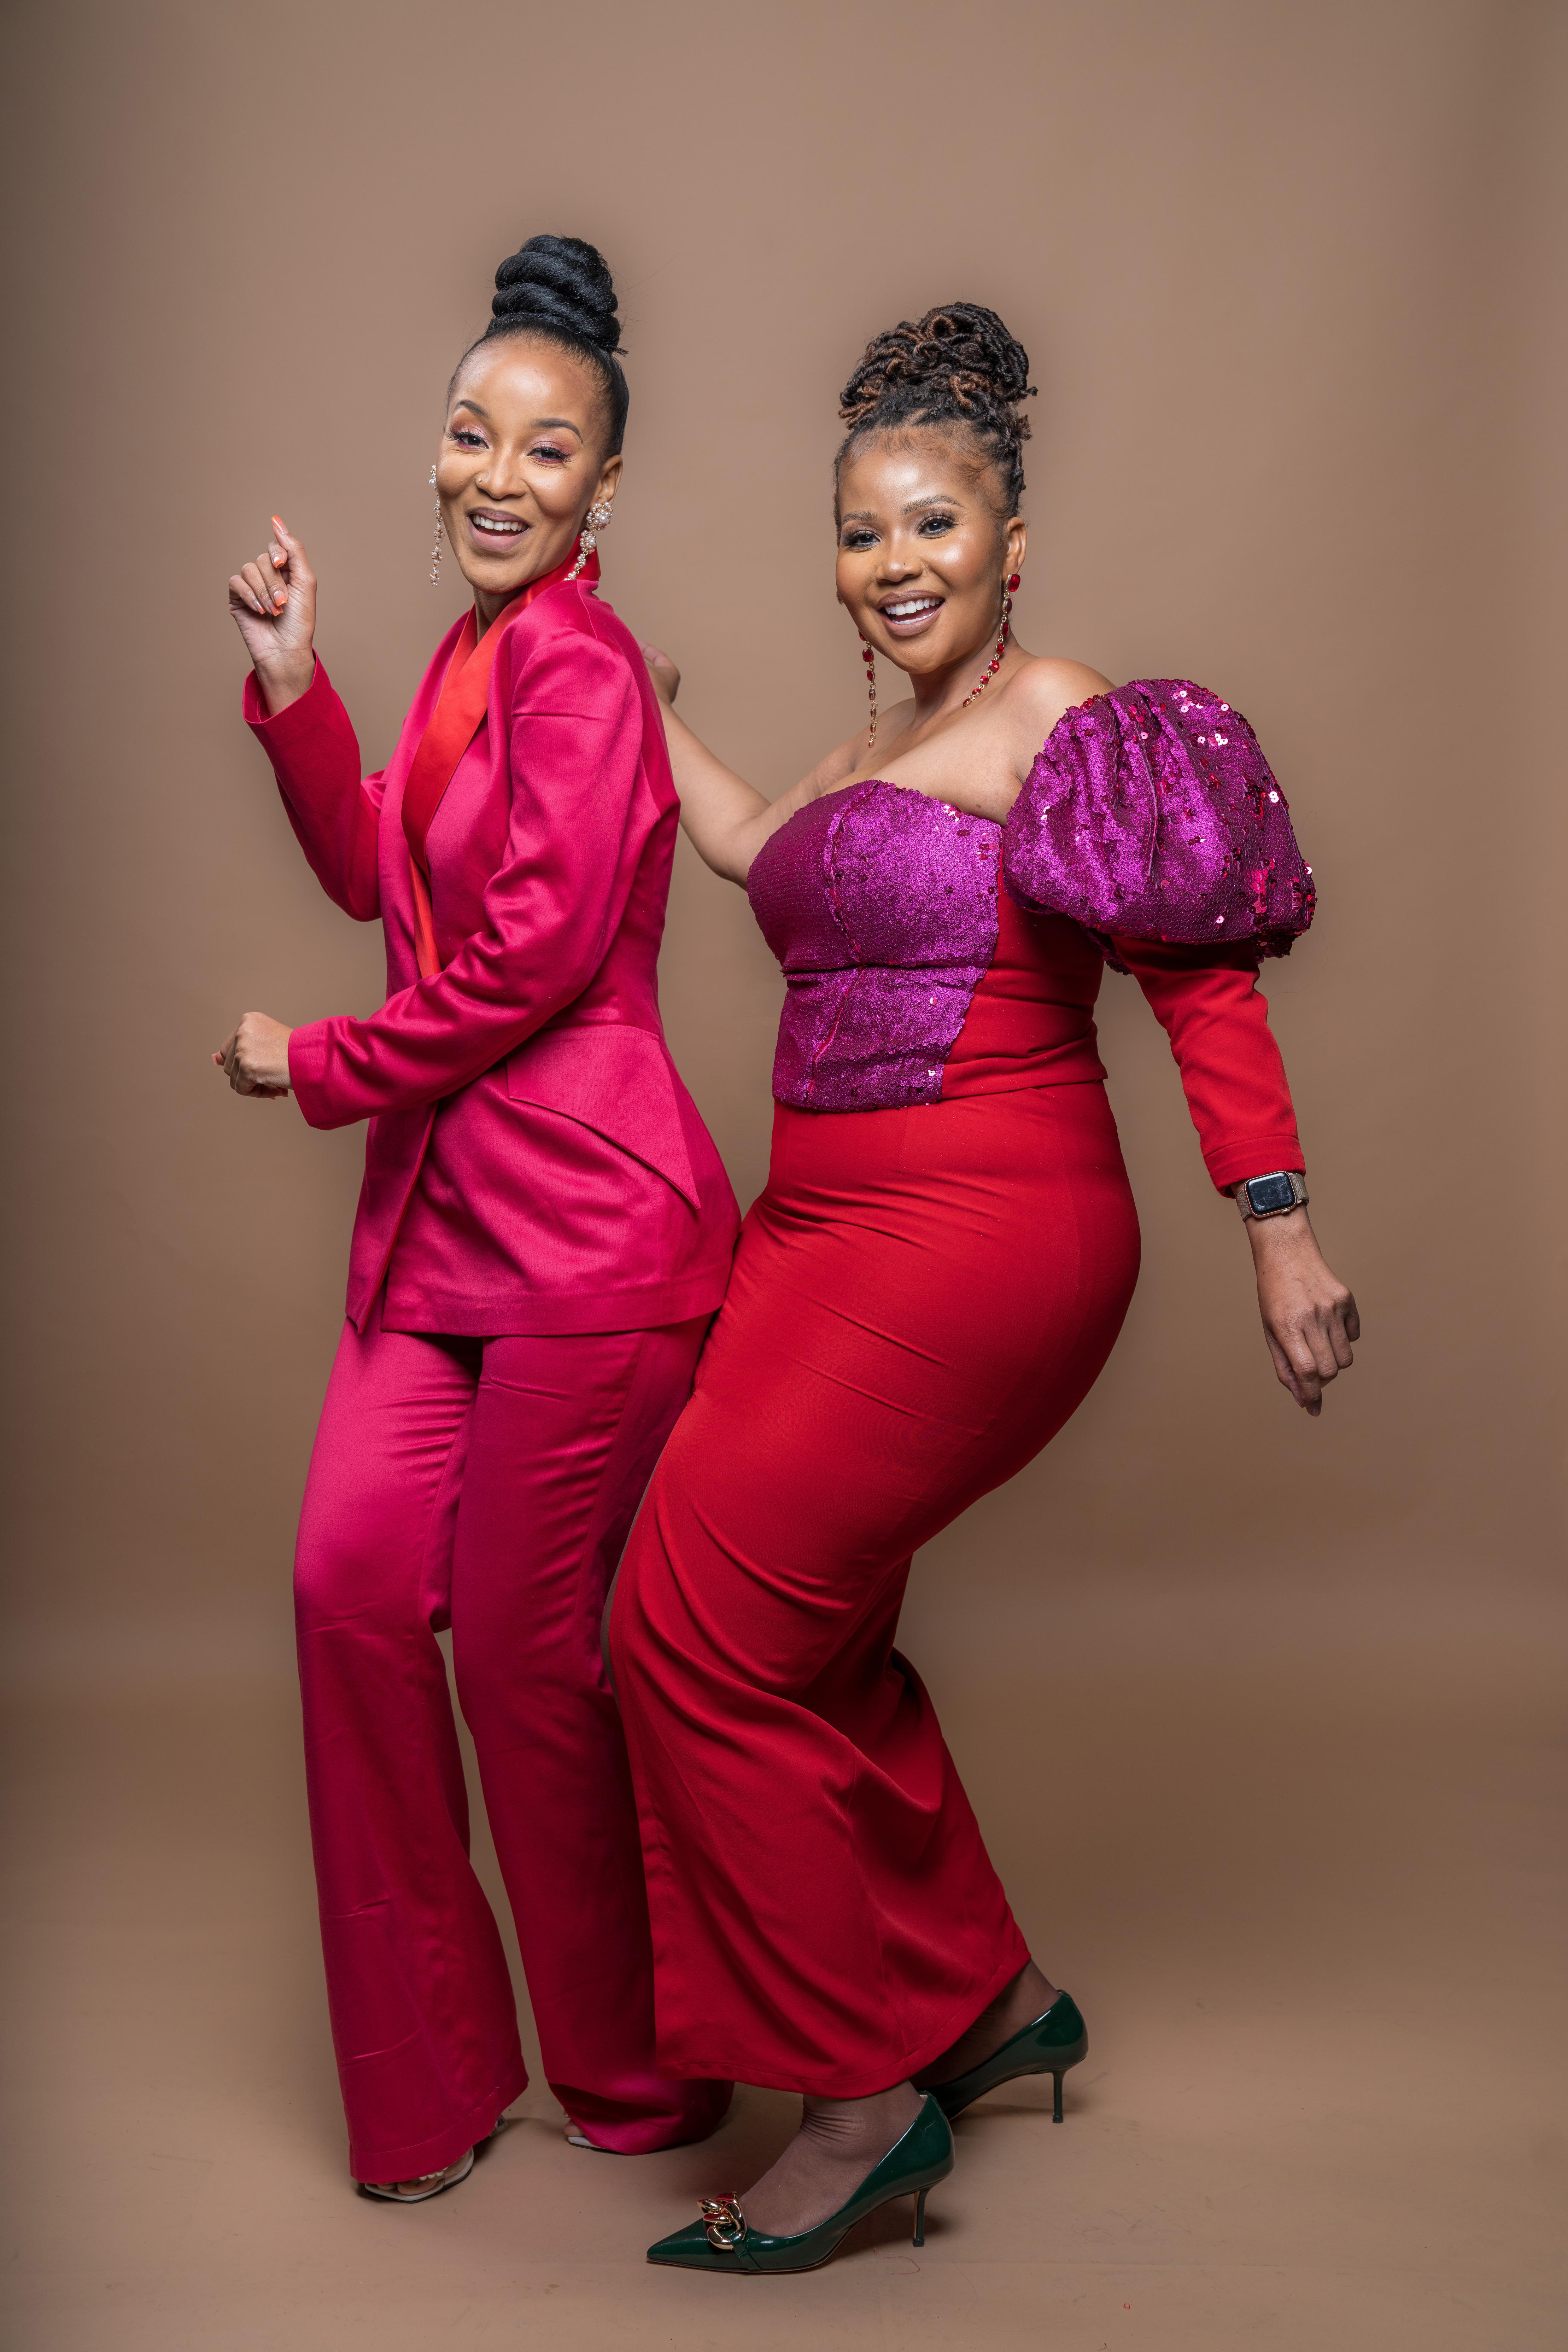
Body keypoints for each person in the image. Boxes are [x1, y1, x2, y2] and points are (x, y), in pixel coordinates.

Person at [608, 302, 1359, 2274]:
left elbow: (1203, 991)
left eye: (933, 523)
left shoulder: (1062, 719)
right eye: (862, 531)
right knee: (809, 1645)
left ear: (1010, 545)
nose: (897, 561)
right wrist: (629, 689)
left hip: (980, 1238)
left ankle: (860, 2105)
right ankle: (985, 1999)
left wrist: (1276, 1221)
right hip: (811, 1240)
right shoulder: (868, 746)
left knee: (685, 1636)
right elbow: (749, 848)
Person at [215, 235, 738, 2200]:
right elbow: (387, 876)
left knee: (530, 1665)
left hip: (589, 1240)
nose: (497, 477)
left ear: (605, 486)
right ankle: (431, 2085)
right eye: (470, 433)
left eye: (546, 449)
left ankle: (636, 2077)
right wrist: (295, 690)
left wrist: (316, 1063)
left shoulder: (583, 667)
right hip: (439, 1235)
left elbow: (525, 963)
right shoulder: (469, 655)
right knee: (348, 1592)